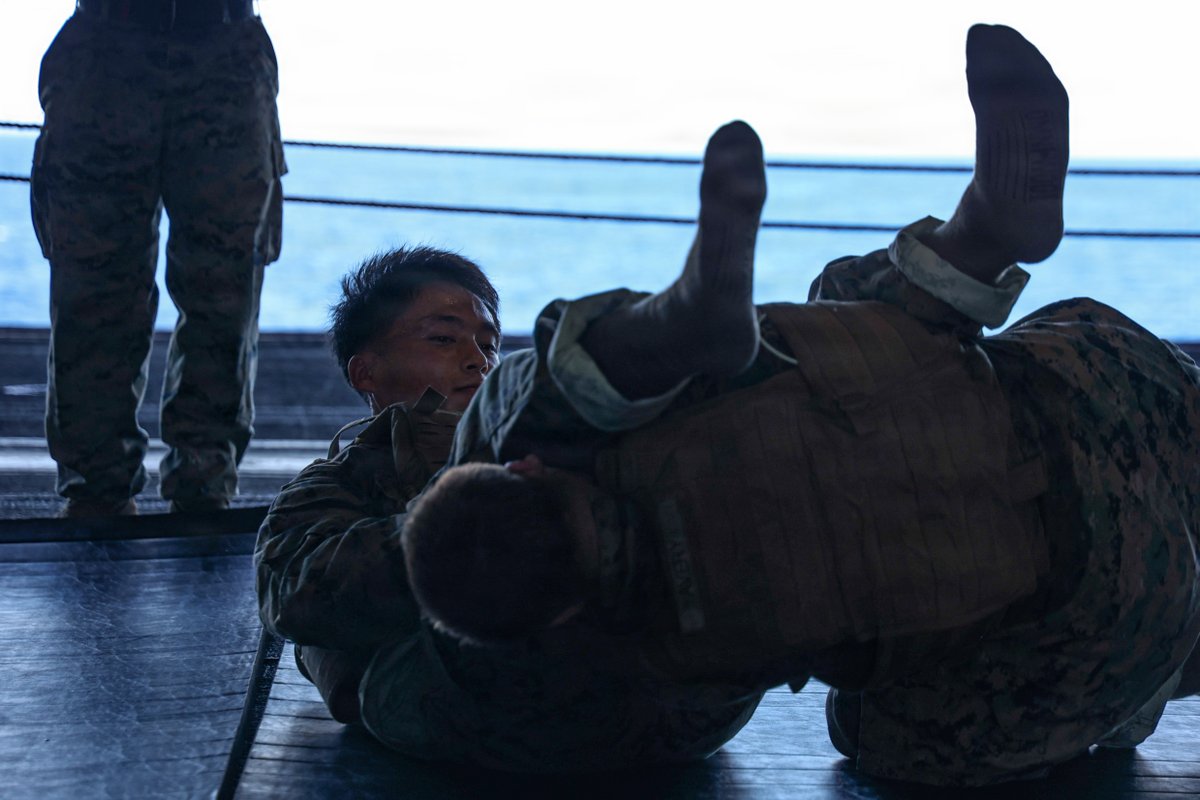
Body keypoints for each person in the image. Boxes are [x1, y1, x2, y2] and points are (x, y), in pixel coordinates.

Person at [401, 25, 1200, 787]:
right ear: (534, 468)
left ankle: (667, 345)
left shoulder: (663, 674)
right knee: (833, 308)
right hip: (1087, 382)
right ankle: (974, 240)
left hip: (1123, 605)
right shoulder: (567, 438)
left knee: (870, 732)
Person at [255, 247, 763, 770]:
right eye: (443, 338)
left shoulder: (547, 445)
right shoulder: (335, 487)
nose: (478, 358)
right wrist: (483, 518)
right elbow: (295, 594)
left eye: (488, 343)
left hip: (673, 705)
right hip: (477, 710)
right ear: (366, 372)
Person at [31, 0, 286, 516]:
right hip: (112, 48)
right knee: (95, 283)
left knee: (224, 283)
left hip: (217, 47)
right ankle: (101, 480)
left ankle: (201, 476)